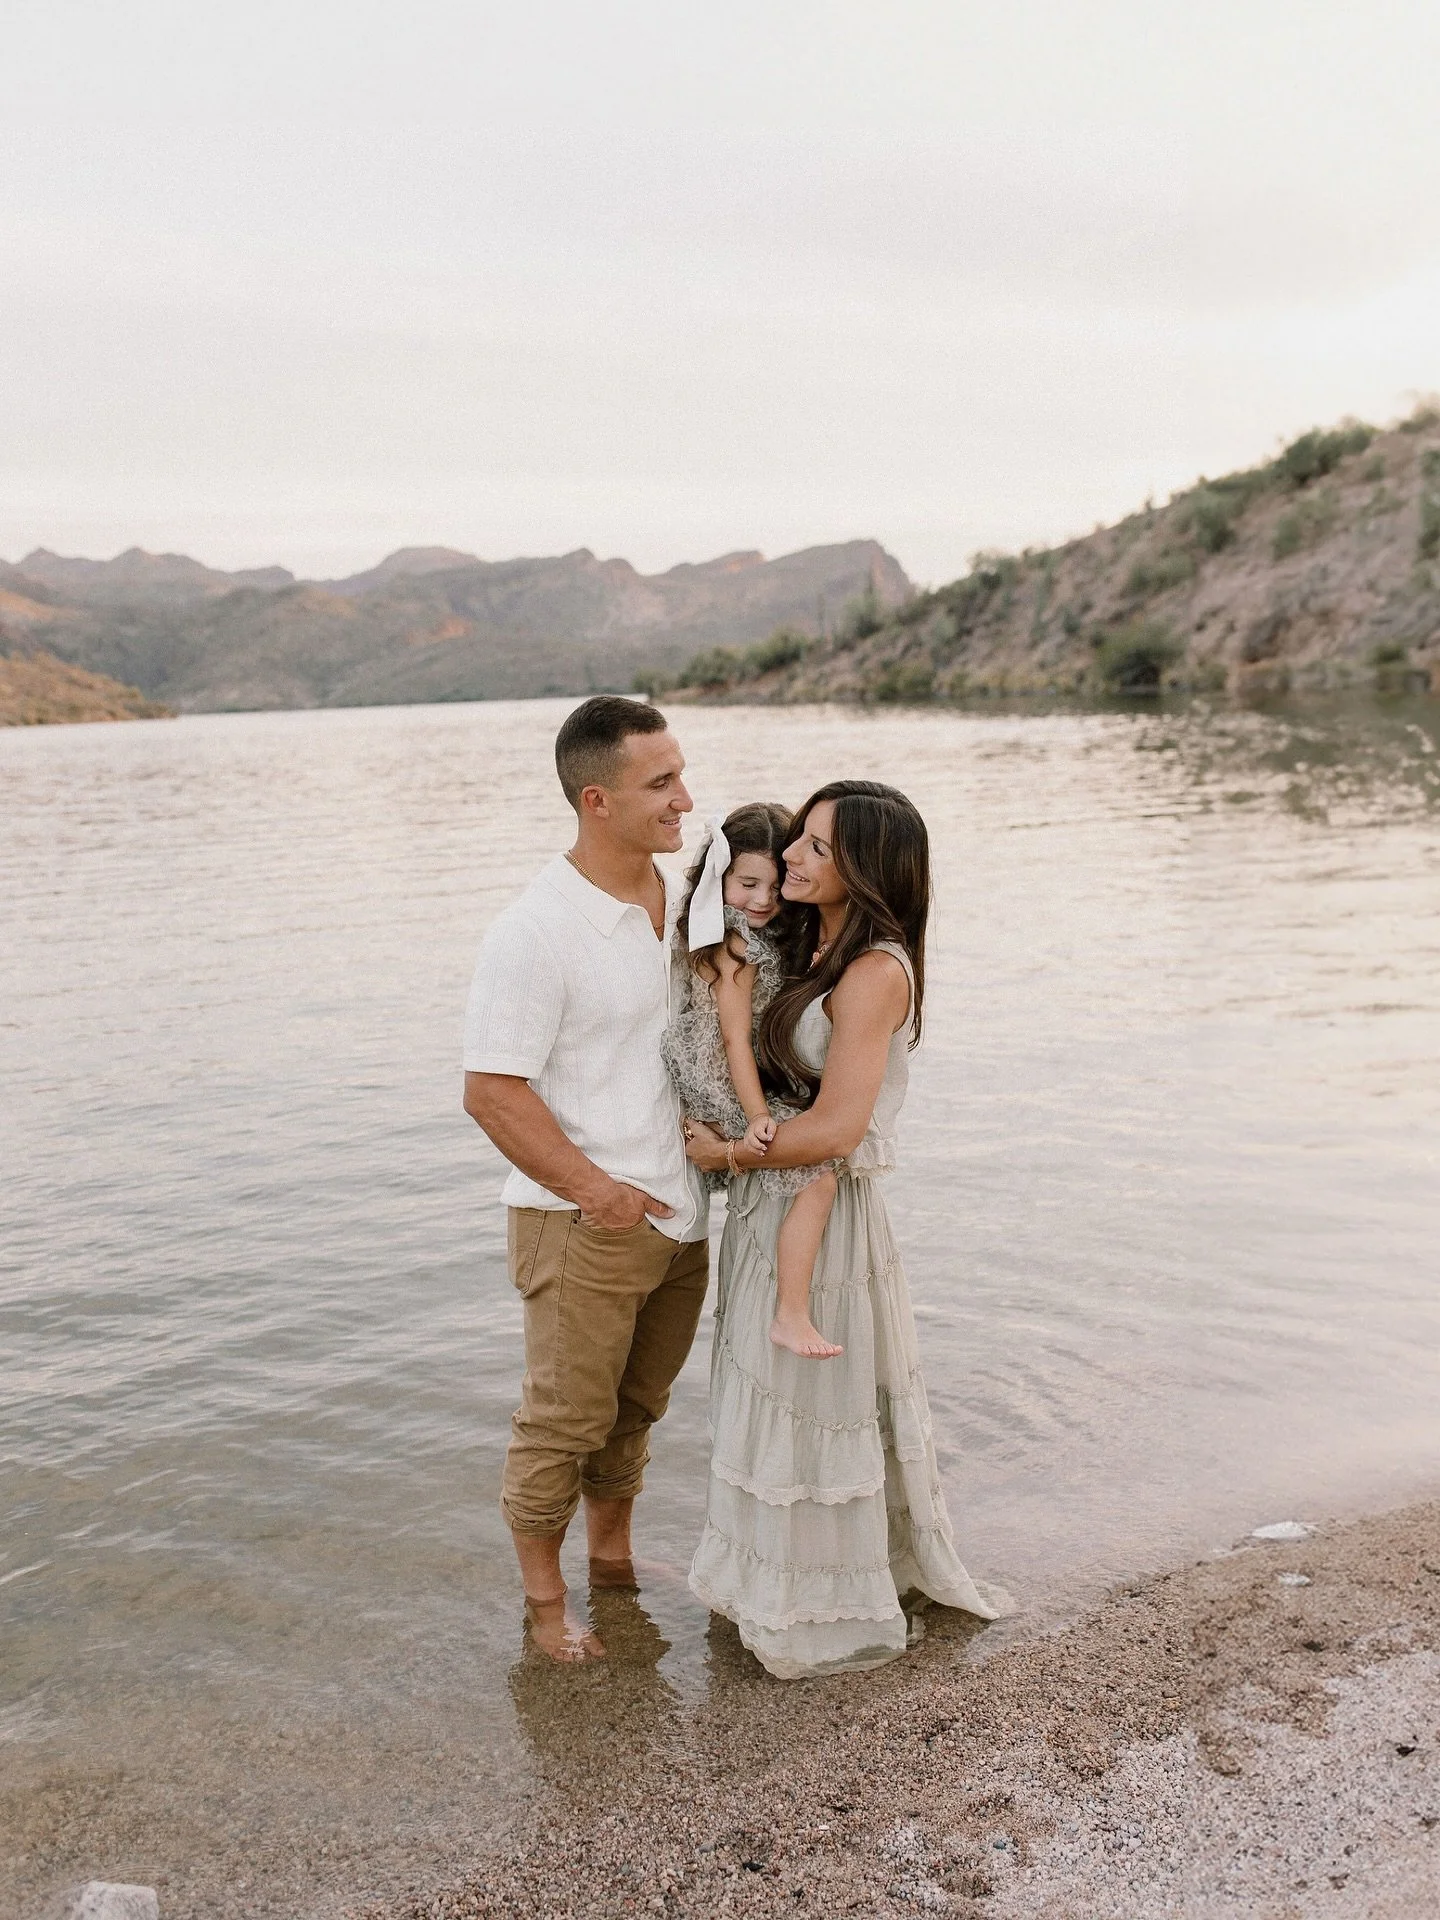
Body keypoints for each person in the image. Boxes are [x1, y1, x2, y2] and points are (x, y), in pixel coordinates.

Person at [683, 780, 1000, 1679]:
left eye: (817, 848)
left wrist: (725, 1159)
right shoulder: (811, 945)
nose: (791, 856)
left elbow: (835, 1131)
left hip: (817, 1206)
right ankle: (766, 1580)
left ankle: (817, 1602)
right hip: (770, 1199)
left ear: (864, 868)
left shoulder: (873, 972)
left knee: (807, 1403)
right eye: (799, 840)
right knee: (764, 1393)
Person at [462, 695, 709, 1664]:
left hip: (680, 1215)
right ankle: (543, 1607)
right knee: (562, 1424)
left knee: (634, 1414)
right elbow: (491, 1092)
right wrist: (598, 1193)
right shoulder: (534, 931)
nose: (685, 798)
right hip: (584, 1224)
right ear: (596, 799)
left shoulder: (683, 903)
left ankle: (614, 1567)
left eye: (682, 774)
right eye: (663, 783)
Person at [661, 802, 842, 1359]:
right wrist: (759, 1117)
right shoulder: (731, 943)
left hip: (742, 1074)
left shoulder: (752, 931)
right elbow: (736, 1039)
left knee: (815, 1172)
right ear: (718, 878)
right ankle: (790, 1314)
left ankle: (787, 1310)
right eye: (746, 883)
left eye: (774, 885)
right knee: (819, 1178)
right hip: (720, 1076)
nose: (763, 900)